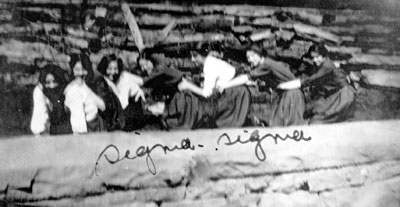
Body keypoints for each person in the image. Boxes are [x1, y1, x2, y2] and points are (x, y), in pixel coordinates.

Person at [220, 44, 306, 127]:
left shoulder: (266, 65)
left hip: (292, 94)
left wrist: (224, 85)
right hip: (289, 93)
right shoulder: (267, 63)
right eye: (248, 57)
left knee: (287, 125)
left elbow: (245, 78)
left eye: (252, 56)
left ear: (259, 55)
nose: (249, 60)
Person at [277, 44, 356, 123]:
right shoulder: (324, 63)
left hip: (342, 97)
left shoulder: (326, 66)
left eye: (317, 57)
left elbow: (309, 80)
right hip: (336, 94)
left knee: (319, 120)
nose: (314, 60)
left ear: (324, 56)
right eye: (313, 57)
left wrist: (283, 85)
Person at [95, 54, 147, 131]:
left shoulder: (122, 77)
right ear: (104, 68)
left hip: (128, 113)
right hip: (118, 116)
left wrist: (140, 90)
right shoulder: (102, 82)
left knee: (126, 79)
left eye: (115, 69)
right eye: (109, 69)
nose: (113, 72)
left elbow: (141, 81)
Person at [64, 53, 106, 133]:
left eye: (84, 69)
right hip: (82, 127)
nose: (80, 73)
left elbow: (102, 106)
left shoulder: (92, 85)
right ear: (72, 70)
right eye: (77, 70)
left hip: (95, 125)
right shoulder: (71, 88)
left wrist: (86, 89)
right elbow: (69, 111)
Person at [30, 64, 72, 135]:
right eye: (48, 83)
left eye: (55, 81)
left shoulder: (68, 91)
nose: (52, 86)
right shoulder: (40, 91)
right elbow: (38, 119)